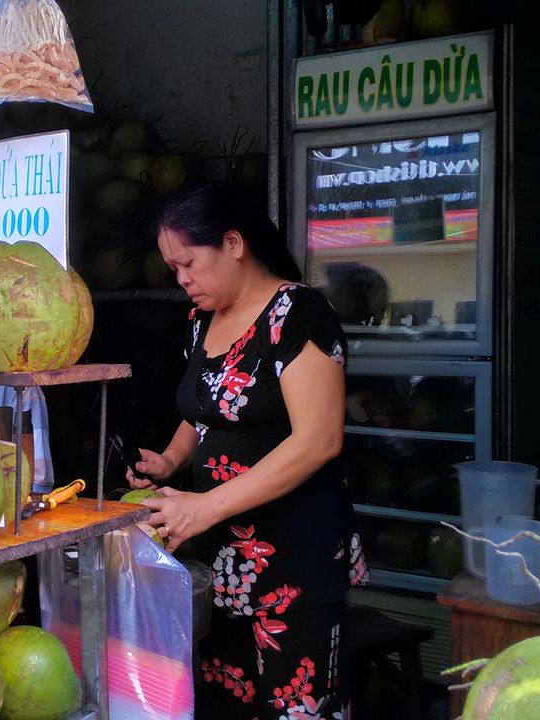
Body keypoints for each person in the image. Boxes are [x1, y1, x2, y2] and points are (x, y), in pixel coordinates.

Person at [129, 182, 366, 719]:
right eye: (174, 269)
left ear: (233, 243)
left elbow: (319, 440)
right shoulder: (201, 323)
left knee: (297, 709)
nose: (182, 279)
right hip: (222, 565)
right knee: (223, 705)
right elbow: (205, 411)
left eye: (189, 263)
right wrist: (169, 461)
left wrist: (205, 505)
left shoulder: (299, 313)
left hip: (295, 563)